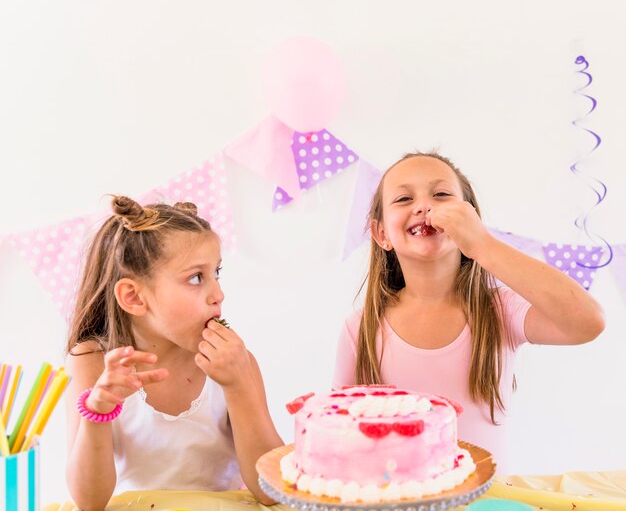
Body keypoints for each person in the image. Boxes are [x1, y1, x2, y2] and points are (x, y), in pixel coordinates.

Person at [333, 151, 605, 470]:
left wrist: (482, 245)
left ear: (470, 218)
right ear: (381, 234)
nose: (425, 206)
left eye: (442, 195)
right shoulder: (361, 327)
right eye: (404, 198)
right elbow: (340, 437)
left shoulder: (500, 309)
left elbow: (588, 321)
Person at [65, 196, 283, 510]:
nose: (218, 294)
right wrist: (98, 409)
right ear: (134, 297)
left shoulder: (235, 362)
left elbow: (270, 491)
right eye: (196, 278)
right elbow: (89, 501)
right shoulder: (92, 362)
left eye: (216, 274)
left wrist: (239, 386)